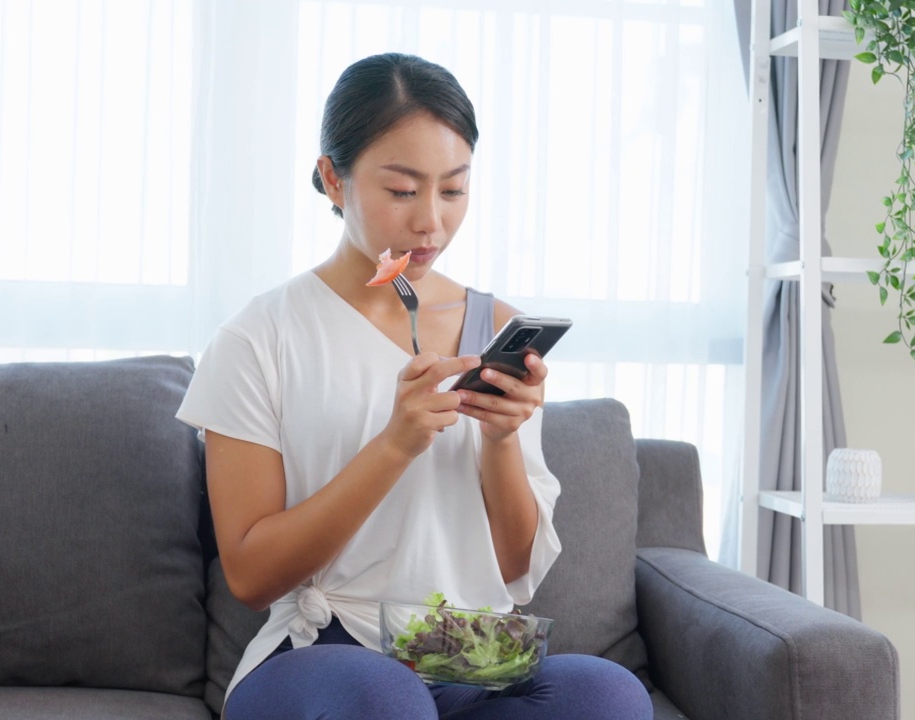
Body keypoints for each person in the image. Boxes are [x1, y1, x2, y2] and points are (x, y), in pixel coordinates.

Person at [176, 52, 652, 720]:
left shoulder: (495, 327)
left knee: (608, 695)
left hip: (463, 652)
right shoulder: (260, 338)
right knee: (386, 699)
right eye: (402, 191)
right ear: (331, 179)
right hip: (327, 657)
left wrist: (501, 438)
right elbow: (252, 576)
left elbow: (514, 568)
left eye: (453, 190)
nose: (431, 221)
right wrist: (395, 445)